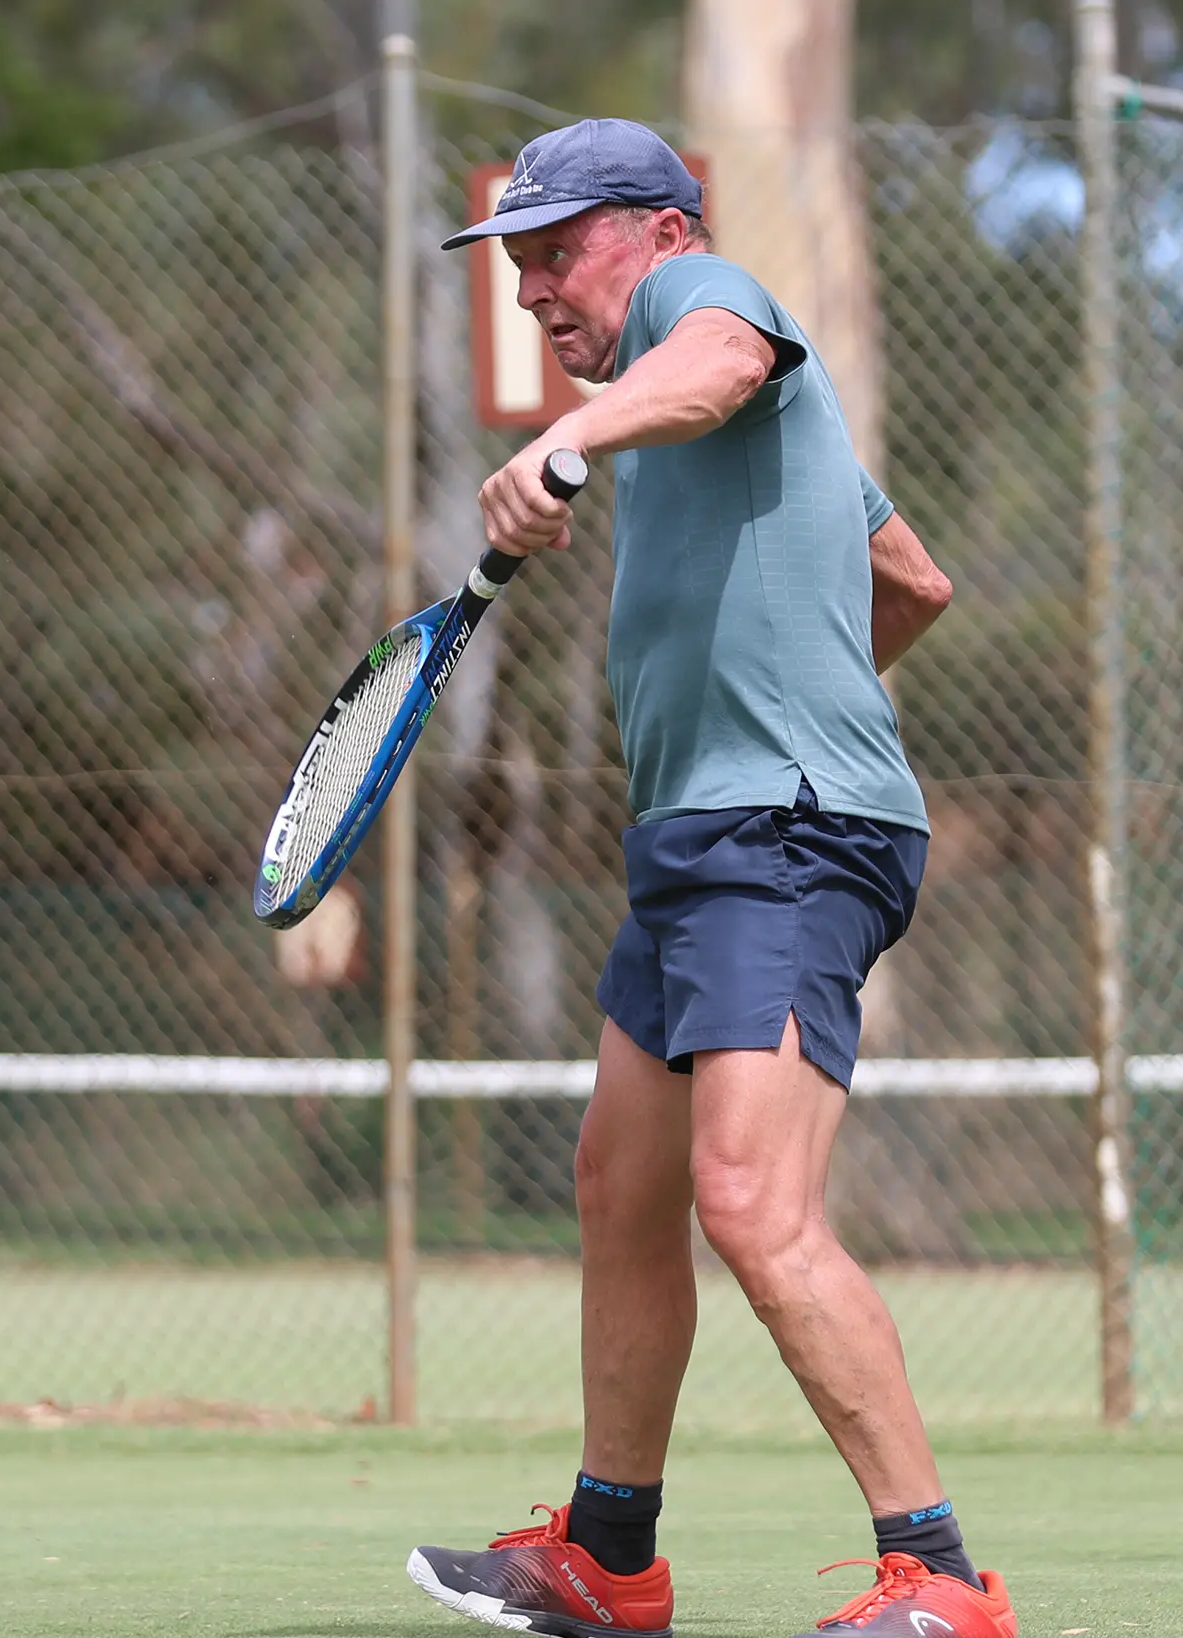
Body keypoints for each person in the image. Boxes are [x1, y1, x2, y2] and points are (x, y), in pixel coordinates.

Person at [403, 120, 1013, 1638]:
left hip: (787, 836)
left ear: (662, 233)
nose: (534, 287)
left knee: (750, 1202)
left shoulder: (708, 310)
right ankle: (610, 1554)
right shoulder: (703, 424)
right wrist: (813, 683)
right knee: (625, 1184)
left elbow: (727, 357)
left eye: (559, 251)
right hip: (699, 838)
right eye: (517, 260)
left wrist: (570, 441)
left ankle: (941, 1580)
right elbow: (913, 581)